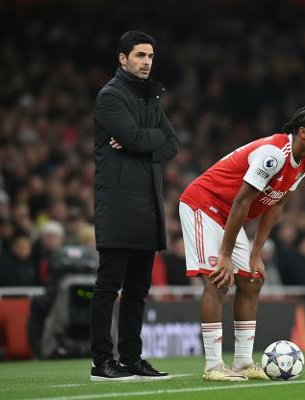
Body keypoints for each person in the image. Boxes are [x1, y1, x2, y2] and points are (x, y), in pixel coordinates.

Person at [179, 105, 305, 381]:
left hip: (228, 215)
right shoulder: (273, 155)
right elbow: (242, 201)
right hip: (203, 204)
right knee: (217, 280)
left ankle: (242, 362)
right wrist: (225, 255)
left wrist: (255, 253)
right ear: (303, 133)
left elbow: (277, 204)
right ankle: (213, 366)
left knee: (252, 280)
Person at [90, 30, 179, 381]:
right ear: (122, 58)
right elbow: (138, 137)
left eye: (150, 56)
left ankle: (131, 359)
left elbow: (171, 144)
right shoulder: (110, 96)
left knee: (138, 290)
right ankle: (101, 362)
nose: (146, 62)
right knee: (108, 286)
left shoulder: (149, 98)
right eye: (140, 55)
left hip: (148, 205)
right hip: (118, 204)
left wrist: (139, 143)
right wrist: (142, 140)